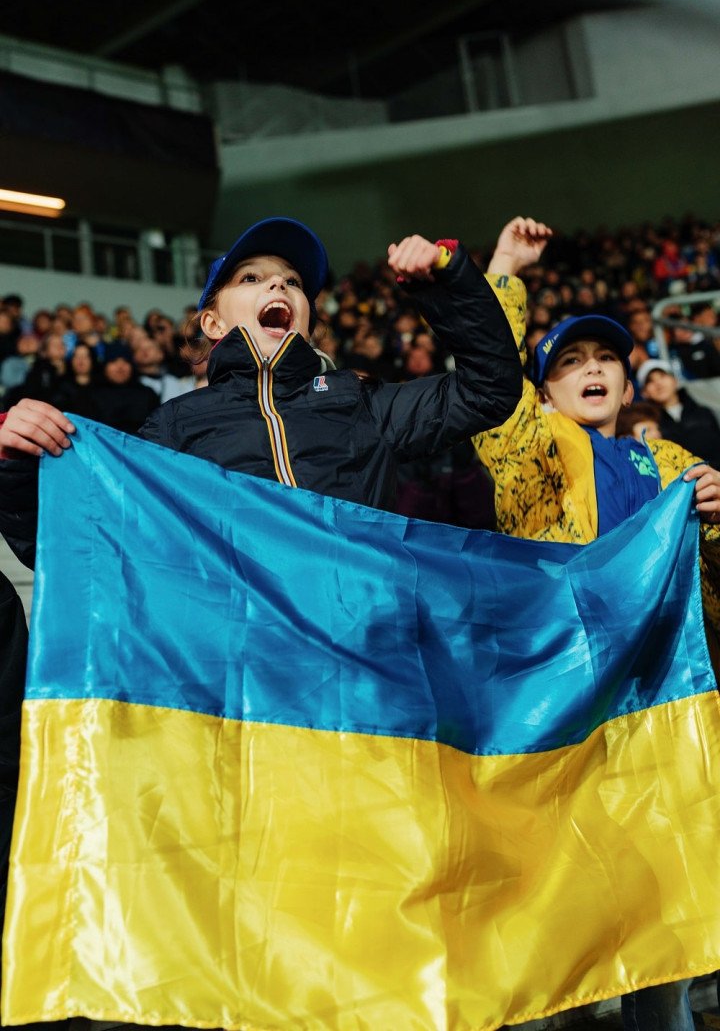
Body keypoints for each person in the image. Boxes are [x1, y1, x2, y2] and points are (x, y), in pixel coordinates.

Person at [473, 216, 720, 1031]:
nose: (592, 368)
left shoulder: (671, 464)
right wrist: (505, 270)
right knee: (564, 930)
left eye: (605, 358)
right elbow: (489, 380)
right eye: (570, 361)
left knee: (664, 928)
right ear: (543, 393)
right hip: (565, 711)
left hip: (657, 716)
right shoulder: (530, 449)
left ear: (626, 377)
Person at [0, 215, 523, 568]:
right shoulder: (172, 427)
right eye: (251, 278)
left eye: (293, 282)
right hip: (243, 678)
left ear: (309, 320)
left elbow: (489, 390)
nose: (278, 286)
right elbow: (82, 544)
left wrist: (446, 283)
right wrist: (16, 463)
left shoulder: (361, 404)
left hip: (369, 657)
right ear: (212, 323)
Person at [638, 358, 720, 469]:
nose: (658, 383)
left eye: (662, 376)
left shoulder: (704, 412)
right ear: (644, 392)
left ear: (675, 380)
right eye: (650, 381)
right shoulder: (648, 425)